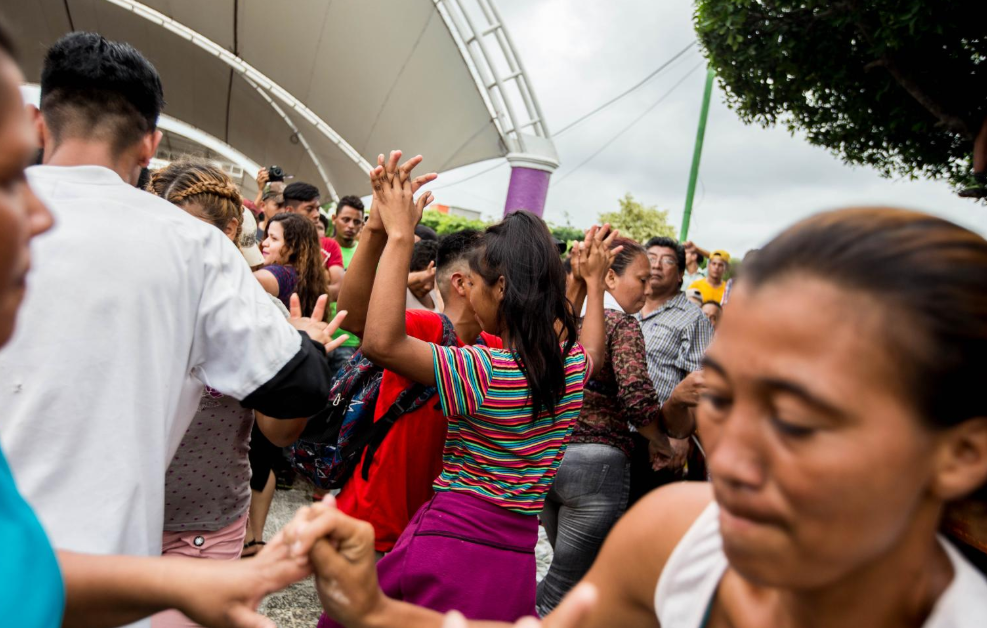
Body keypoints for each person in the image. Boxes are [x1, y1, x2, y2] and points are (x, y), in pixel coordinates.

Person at [285, 206, 987, 628]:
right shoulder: (675, 534)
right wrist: (375, 611)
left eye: (799, 419)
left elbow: (378, 340)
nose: (732, 455)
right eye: (718, 396)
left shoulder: (503, 371)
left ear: (961, 452)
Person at [0, 33, 341, 626]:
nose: (40, 218)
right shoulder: (194, 249)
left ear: (37, 121)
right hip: (112, 579)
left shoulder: (34, 221)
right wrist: (307, 343)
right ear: (151, 142)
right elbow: (297, 386)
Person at [318, 150, 614, 625]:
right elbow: (592, 350)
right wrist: (593, 284)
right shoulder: (569, 366)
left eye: (476, 284)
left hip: (448, 543)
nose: (467, 295)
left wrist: (397, 233)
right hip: (514, 556)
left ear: (501, 288)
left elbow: (379, 342)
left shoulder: (486, 370)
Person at [146, 158, 347, 627]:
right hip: (120, 515)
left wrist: (303, 358)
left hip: (204, 526)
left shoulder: (262, 314)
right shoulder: (132, 298)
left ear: (231, 228)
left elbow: (277, 435)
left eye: (190, 232)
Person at [536, 238, 695, 616]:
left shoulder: (560, 321)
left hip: (548, 459)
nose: (647, 288)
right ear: (608, 276)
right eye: (641, 279)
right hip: (596, 470)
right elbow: (638, 399)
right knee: (566, 587)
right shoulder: (620, 324)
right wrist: (661, 440)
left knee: (572, 576)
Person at [332, 221, 502, 558]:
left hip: (429, 530)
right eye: (499, 280)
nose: (507, 290)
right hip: (374, 522)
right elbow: (353, 318)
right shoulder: (425, 327)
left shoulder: (493, 346)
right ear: (463, 284)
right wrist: (379, 232)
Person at [632, 236, 713, 504]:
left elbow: (700, 383)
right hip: (612, 432)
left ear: (680, 274)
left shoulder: (693, 319)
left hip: (657, 440)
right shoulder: (625, 307)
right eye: (650, 258)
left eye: (666, 261)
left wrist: (681, 435)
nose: (655, 265)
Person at [255, 211, 332, 314]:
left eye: (274, 238)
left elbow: (243, 282)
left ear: (294, 247)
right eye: (267, 236)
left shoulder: (280, 273)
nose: (264, 243)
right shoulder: (305, 276)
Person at [327, 194, 367, 371]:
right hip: (320, 333)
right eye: (346, 219)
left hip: (350, 340)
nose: (351, 226)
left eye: (356, 222)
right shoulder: (321, 249)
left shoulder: (366, 255)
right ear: (334, 219)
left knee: (340, 397)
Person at [284, 180, 344, 295]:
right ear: (290, 211)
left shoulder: (329, 245)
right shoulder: (276, 242)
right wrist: (323, 278)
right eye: (309, 209)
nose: (317, 215)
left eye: (317, 208)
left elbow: (337, 289)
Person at [407, 239, 441, 311]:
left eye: (432, 281)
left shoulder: (437, 293)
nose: (427, 287)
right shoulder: (400, 293)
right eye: (424, 280)